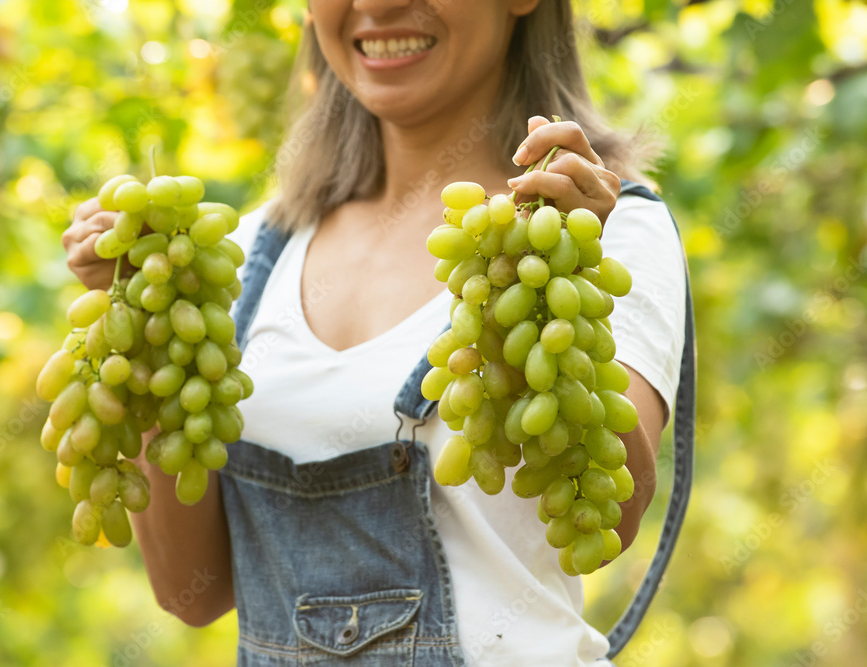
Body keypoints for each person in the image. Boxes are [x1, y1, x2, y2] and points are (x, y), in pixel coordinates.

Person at [62, 1, 687, 664]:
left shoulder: (605, 228)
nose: (378, 5)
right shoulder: (237, 258)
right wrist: (144, 319)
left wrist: (562, 282)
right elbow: (194, 590)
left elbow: (604, 519)